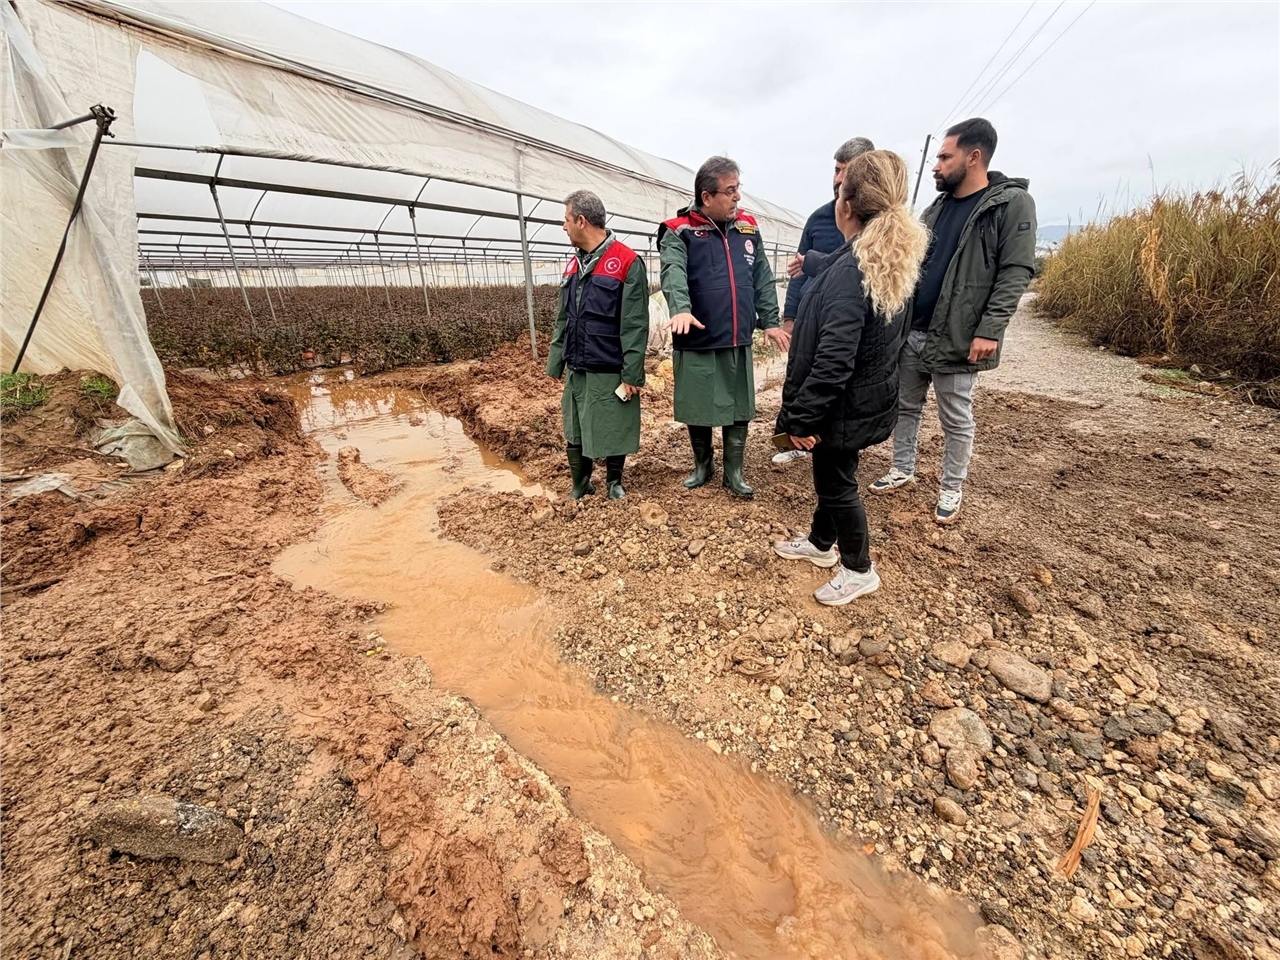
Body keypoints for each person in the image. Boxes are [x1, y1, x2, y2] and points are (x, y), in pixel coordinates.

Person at [773, 150, 929, 606]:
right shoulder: (885, 259)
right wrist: (817, 264)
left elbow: (833, 361)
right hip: (865, 398)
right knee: (835, 472)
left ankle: (859, 569)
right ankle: (822, 545)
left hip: (839, 405)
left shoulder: (853, 272)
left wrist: (800, 420)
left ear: (846, 205)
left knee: (837, 484)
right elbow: (842, 266)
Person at [869, 118, 1037, 524]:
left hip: (959, 335)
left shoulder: (1009, 204)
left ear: (974, 157)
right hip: (915, 329)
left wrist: (989, 330)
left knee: (956, 417)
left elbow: (1015, 271)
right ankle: (902, 468)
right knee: (905, 405)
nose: (936, 165)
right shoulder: (937, 207)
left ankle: (951, 486)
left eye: (945, 157)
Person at [658, 157, 790, 498]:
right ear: (707, 196)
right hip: (697, 334)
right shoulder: (679, 230)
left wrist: (771, 321)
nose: (737, 198)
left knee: (738, 405)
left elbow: (761, 275)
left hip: (736, 335)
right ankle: (704, 464)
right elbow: (672, 272)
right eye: (730, 191)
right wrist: (681, 309)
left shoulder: (748, 227)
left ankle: (734, 472)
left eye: (737, 190)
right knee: (697, 404)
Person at [774, 136, 875, 467]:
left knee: (832, 378)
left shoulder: (879, 228)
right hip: (810, 315)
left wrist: (816, 262)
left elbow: (845, 271)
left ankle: (825, 443)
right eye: (836, 169)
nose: (837, 178)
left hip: (843, 321)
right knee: (798, 376)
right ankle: (789, 439)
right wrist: (790, 318)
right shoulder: (819, 218)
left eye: (846, 171)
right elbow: (799, 269)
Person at [545, 190, 649, 500]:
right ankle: (581, 483)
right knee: (575, 425)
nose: (563, 226)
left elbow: (635, 323)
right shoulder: (573, 266)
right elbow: (563, 317)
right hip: (578, 363)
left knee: (614, 423)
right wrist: (555, 360)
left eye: (566, 220)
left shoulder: (626, 262)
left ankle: (613, 482)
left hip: (609, 364)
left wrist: (632, 373)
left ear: (581, 221)